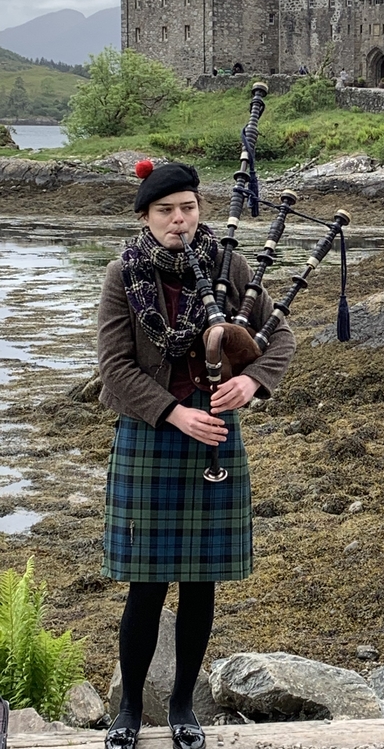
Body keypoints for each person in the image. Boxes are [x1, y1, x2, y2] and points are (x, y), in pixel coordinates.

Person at [98, 162, 295, 749]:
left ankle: (184, 704)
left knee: (200, 583)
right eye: (166, 211)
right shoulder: (121, 275)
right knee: (146, 584)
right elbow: (114, 367)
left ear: (199, 208)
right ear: (145, 218)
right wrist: (174, 411)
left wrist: (254, 381)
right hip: (152, 434)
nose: (179, 220)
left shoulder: (230, 267)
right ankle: (129, 709)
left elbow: (279, 337)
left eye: (187, 207)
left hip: (215, 435)